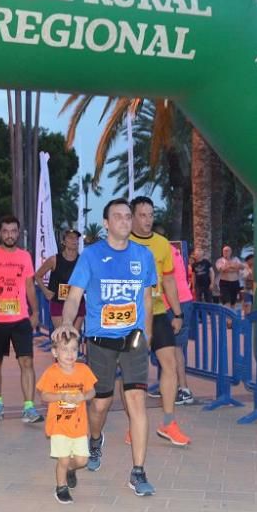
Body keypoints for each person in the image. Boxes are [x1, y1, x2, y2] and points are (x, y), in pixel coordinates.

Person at [57, 198, 158, 496]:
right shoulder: (90, 256)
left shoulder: (144, 255)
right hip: (100, 341)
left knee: (136, 402)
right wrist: (66, 324)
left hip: (134, 340)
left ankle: (138, 472)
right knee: (100, 404)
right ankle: (95, 440)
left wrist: (147, 337)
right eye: (118, 217)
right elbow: (74, 297)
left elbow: (148, 301)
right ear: (106, 223)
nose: (125, 221)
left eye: (128, 216)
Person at [129, 196, 190, 446]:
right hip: (131, 317)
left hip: (157, 311)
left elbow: (169, 281)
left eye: (151, 215)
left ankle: (168, 422)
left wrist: (177, 314)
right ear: (132, 217)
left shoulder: (163, 244)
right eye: (142, 215)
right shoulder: (124, 243)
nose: (147, 220)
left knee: (169, 365)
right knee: (135, 371)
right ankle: (135, 424)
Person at [0, 215, 42, 423]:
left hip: (20, 317)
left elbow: (30, 285)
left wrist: (36, 312)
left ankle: (29, 408)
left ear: (18, 233)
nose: (10, 235)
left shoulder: (25, 256)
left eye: (13, 231)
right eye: (5, 231)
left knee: (27, 362)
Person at [38, 326, 97, 504]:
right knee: (62, 459)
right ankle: (61, 487)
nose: (70, 354)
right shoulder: (51, 373)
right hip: (59, 425)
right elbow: (44, 395)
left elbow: (92, 391)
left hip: (78, 426)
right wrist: (61, 396)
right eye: (64, 349)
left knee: (82, 460)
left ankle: (71, 470)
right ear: (55, 352)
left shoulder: (83, 370)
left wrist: (83, 396)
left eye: (73, 349)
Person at [35, 228, 86, 334]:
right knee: (62, 339)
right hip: (58, 304)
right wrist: (45, 291)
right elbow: (37, 276)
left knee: (73, 339)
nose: (74, 240)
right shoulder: (54, 260)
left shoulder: (83, 261)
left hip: (78, 304)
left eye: (76, 238)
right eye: (70, 238)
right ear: (63, 241)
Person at [169, 242, 196, 405]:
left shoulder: (162, 249)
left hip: (177, 303)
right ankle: (171, 383)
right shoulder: (169, 249)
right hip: (174, 302)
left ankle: (184, 389)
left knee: (176, 347)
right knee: (169, 348)